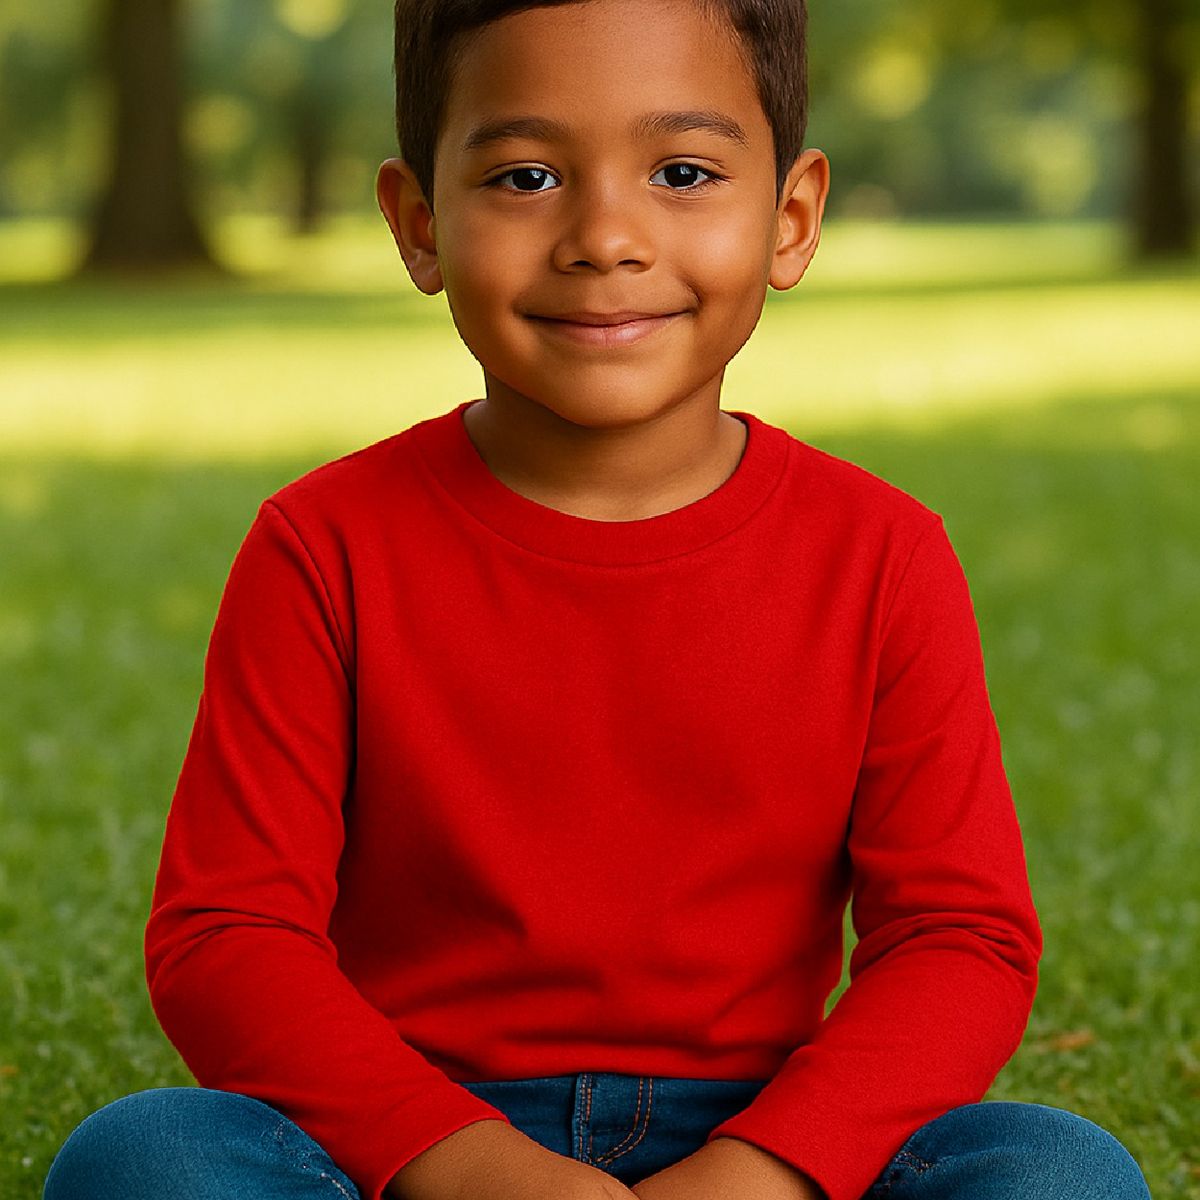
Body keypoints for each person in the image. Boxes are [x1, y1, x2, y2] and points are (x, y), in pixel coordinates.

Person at [44, 2, 1152, 1199]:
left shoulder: (884, 555)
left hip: (762, 1136)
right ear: (419, 225)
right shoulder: (322, 548)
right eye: (526, 176)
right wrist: (473, 1171)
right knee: (145, 1160)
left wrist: (763, 1173)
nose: (605, 236)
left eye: (682, 171)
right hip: (409, 1143)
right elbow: (228, 940)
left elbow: (958, 940)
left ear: (791, 219)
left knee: (1057, 1171)